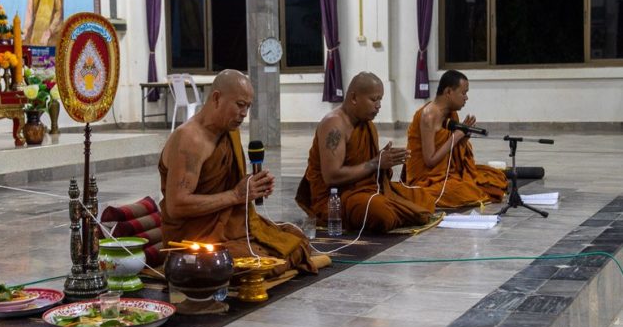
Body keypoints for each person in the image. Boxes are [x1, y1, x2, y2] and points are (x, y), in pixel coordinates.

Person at [159, 69, 317, 277]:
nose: (244, 113)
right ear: (216, 98)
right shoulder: (190, 140)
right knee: (252, 264)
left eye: (248, 107)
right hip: (194, 238)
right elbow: (177, 205)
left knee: (295, 237)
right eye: (240, 105)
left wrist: (253, 186)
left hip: (228, 228)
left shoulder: (227, 132)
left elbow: (229, 184)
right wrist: (236, 195)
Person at [295, 72, 434, 233]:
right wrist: (376, 163)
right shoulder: (334, 124)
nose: (379, 105)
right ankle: (402, 212)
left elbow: (369, 167)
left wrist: (383, 161)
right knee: (381, 214)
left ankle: (403, 211)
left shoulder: (366, 124)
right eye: (374, 99)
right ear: (354, 97)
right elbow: (331, 176)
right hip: (335, 199)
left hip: (366, 190)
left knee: (424, 199)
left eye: (380, 99)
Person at [406, 69, 507, 208]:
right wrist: (457, 136)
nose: (466, 98)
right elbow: (430, 160)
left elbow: (455, 154)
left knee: (495, 177)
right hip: (426, 178)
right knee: (463, 191)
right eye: (463, 93)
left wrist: (463, 138)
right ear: (448, 92)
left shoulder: (451, 114)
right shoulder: (428, 115)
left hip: (449, 174)